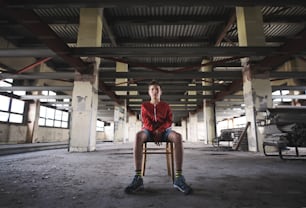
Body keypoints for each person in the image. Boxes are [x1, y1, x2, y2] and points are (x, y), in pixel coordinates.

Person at [125, 80, 192, 195]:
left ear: (161, 92)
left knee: (178, 137)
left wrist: (160, 131)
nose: (155, 91)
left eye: (157, 89)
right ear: (149, 92)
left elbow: (169, 121)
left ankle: (179, 177)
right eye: (152, 89)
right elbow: (145, 121)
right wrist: (154, 131)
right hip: (148, 131)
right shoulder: (144, 106)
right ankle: (138, 177)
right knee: (138, 136)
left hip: (165, 131)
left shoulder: (165, 106)